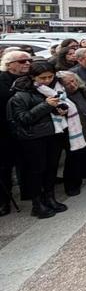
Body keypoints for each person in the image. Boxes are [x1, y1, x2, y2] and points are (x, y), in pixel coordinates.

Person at [8, 62, 73, 218]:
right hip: (33, 138)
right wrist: (46, 105)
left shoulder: (54, 89)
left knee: (51, 168)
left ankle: (50, 198)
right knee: (37, 171)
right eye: (42, 78)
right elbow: (23, 118)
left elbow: (57, 109)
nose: (47, 80)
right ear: (33, 77)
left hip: (53, 134)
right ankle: (37, 204)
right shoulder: (20, 94)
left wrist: (61, 110)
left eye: (50, 76)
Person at [0, 51, 32, 215]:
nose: (27, 63)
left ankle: (29, 191)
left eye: (28, 60)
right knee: (4, 166)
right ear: (9, 64)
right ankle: (3, 201)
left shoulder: (30, 78)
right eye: (22, 61)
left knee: (27, 161)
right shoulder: (2, 79)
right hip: (5, 131)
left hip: (27, 126)